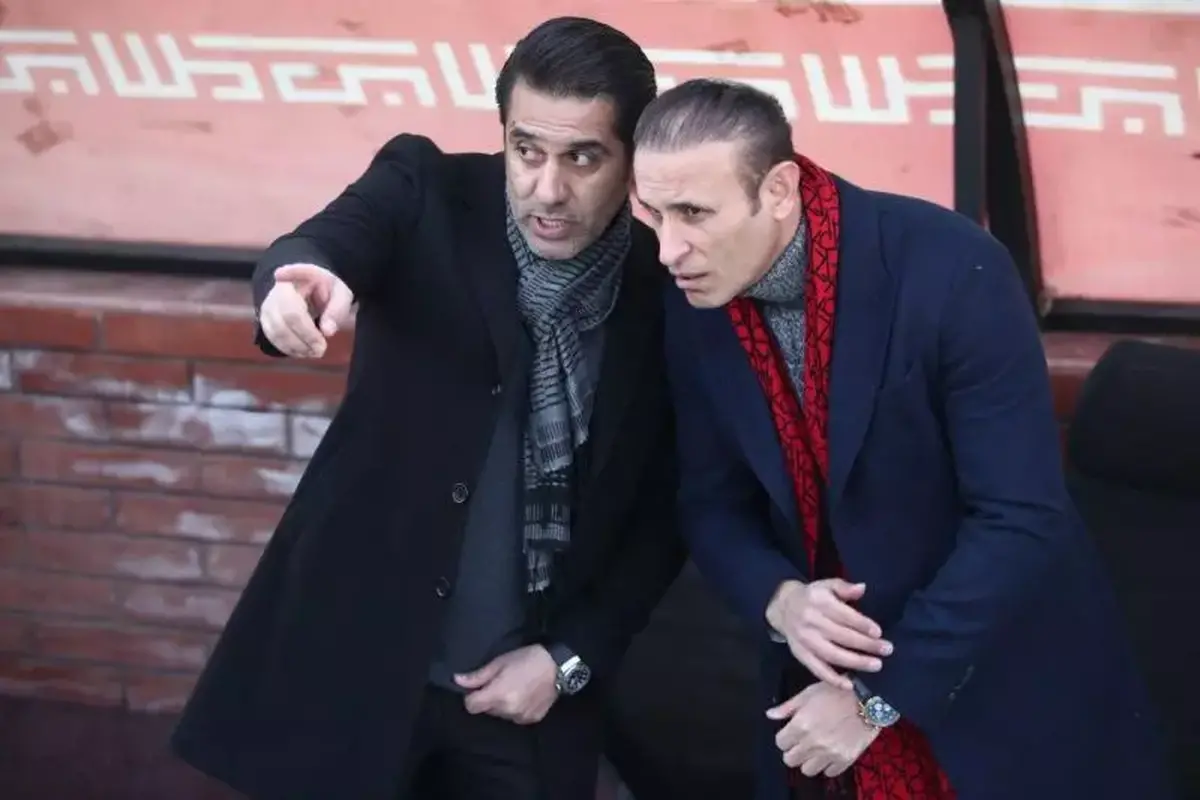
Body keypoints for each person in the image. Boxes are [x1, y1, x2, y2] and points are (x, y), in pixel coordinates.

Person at [170, 17, 685, 800]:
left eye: (583, 158)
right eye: (527, 151)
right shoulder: (427, 192)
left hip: (522, 700)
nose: (548, 189)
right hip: (356, 669)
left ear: (635, 159)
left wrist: (568, 660)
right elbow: (329, 240)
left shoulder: (664, 288)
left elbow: (663, 514)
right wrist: (297, 280)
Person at [632, 79, 1175, 800]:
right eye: (653, 213)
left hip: (997, 689)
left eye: (694, 213)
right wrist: (779, 598)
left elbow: (1019, 515)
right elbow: (710, 501)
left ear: (780, 190)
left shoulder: (951, 269)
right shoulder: (695, 295)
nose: (668, 249)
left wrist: (877, 699)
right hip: (813, 692)